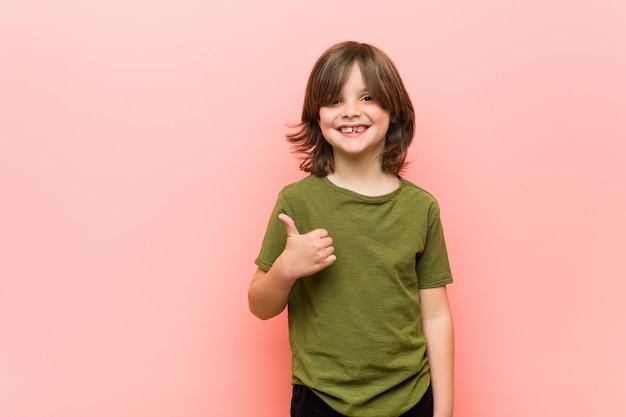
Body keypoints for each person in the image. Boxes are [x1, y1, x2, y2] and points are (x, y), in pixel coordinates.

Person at [248, 41, 454, 417]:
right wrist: (285, 269)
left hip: (410, 399)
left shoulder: (421, 207)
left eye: (368, 97)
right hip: (320, 399)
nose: (351, 112)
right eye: (335, 100)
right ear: (317, 115)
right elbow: (259, 305)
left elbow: (436, 315)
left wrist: (444, 409)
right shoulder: (297, 202)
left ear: (394, 110)